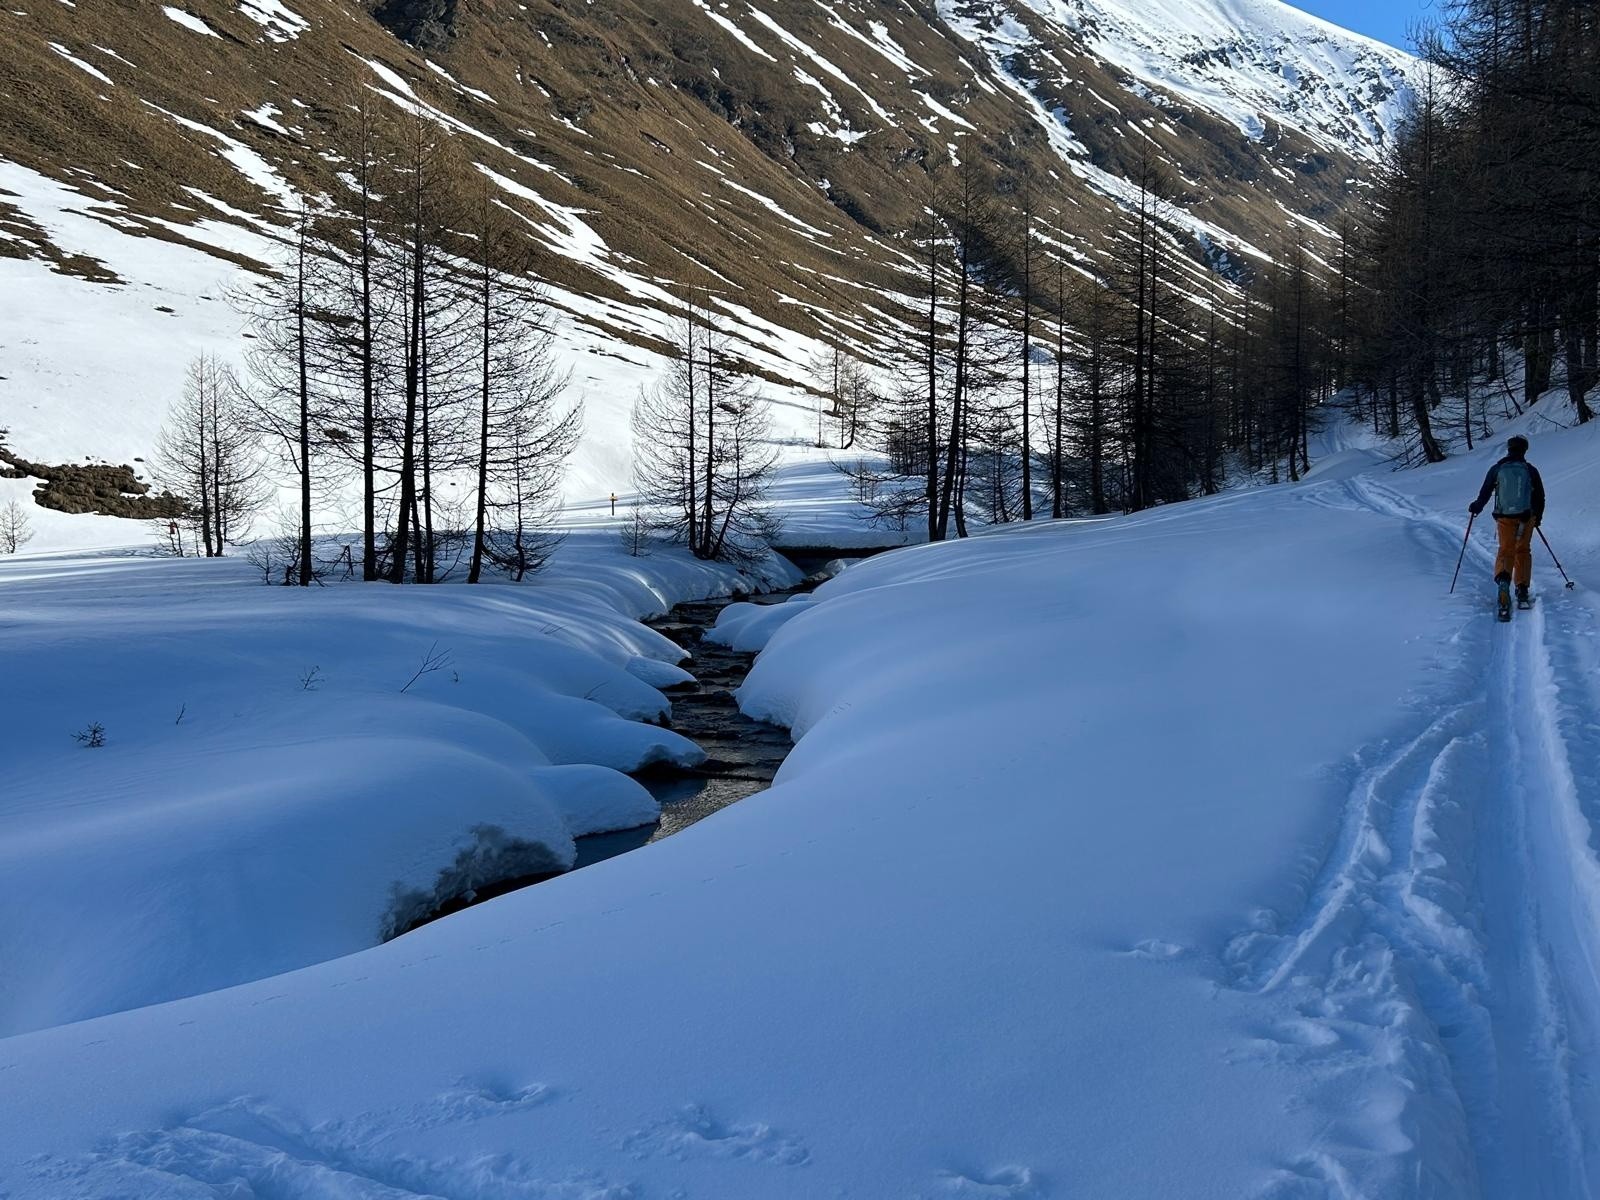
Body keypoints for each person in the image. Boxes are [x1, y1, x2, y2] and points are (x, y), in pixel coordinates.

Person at [1469, 435, 1545, 615]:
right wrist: (1537, 518)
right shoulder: (1530, 470)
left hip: (1504, 517)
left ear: (1509, 449)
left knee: (1505, 549)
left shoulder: (1497, 469)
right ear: (1524, 450)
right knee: (1523, 550)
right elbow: (1539, 496)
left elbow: (1485, 492)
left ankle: (1504, 582)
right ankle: (1522, 588)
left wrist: (1476, 507)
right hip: (1527, 516)